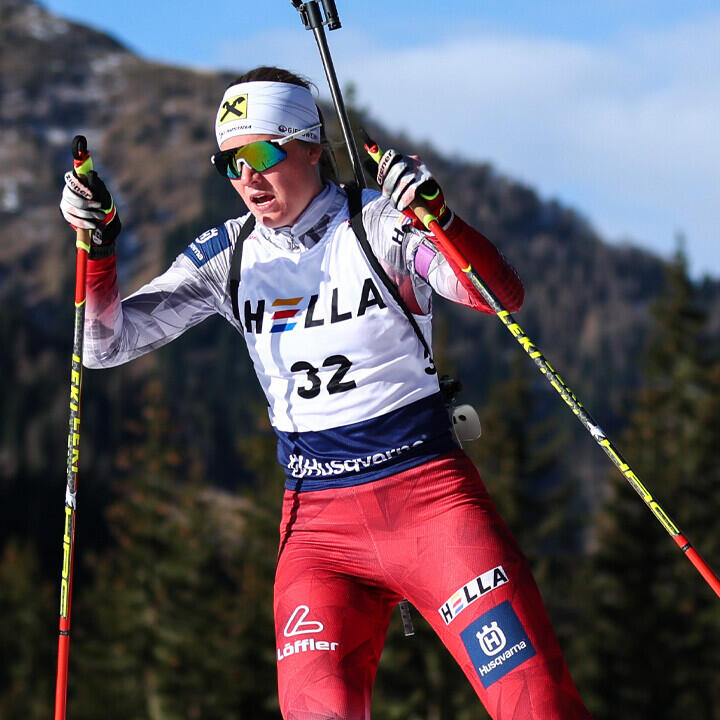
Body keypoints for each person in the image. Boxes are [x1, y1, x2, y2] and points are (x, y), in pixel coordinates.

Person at [60, 65, 593, 720]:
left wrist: (440, 218)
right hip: (319, 529)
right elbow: (102, 344)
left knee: (537, 706)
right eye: (229, 164)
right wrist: (100, 247)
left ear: (311, 146)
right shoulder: (226, 256)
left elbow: (497, 295)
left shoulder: (380, 227)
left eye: (262, 154)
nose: (248, 180)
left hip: (432, 503)